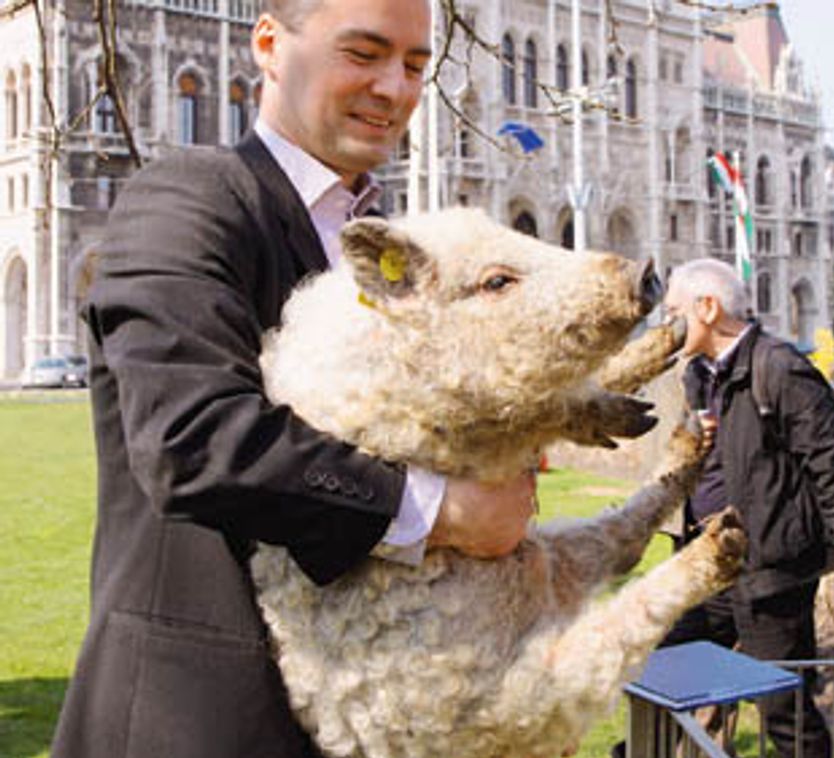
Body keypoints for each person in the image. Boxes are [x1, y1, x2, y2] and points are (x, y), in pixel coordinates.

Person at [50, 1, 539, 756]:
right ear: (271, 45)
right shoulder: (189, 198)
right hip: (206, 723)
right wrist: (447, 511)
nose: (393, 88)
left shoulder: (383, 249)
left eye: (414, 65)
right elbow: (194, 438)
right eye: (363, 53)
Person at [622, 258, 834, 758]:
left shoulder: (778, 368)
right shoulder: (701, 375)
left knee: (785, 710)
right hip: (710, 562)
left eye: (675, 313)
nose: (667, 327)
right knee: (661, 670)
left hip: (769, 572)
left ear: (708, 308)